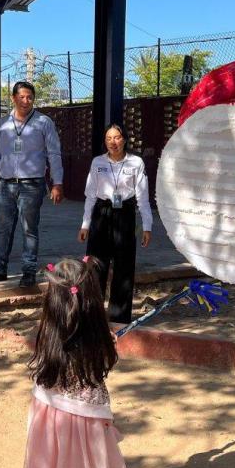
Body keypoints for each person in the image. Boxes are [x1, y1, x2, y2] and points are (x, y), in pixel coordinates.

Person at [23, 257, 130, 468]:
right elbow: (100, 365)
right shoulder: (98, 342)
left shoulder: (48, 334)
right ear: (92, 298)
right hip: (87, 418)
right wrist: (105, 341)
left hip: (49, 415)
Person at [0, 81, 64, 288]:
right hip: (5, 185)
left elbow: (54, 154)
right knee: (3, 229)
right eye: (22, 97)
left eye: (30, 97)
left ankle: (28, 272)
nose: (26, 101)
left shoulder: (44, 122)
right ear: (13, 98)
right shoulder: (3, 124)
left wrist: (57, 183)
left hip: (32, 185)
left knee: (29, 229)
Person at [79, 124, 154, 324]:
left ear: (125, 139)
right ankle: (91, 314)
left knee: (124, 266)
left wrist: (147, 226)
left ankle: (119, 317)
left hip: (125, 215)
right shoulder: (97, 162)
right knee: (95, 266)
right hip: (101, 214)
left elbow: (143, 197)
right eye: (109, 138)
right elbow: (90, 195)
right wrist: (85, 224)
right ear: (105, 141)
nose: (113, 142)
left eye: (117, 137)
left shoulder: (136, 163)